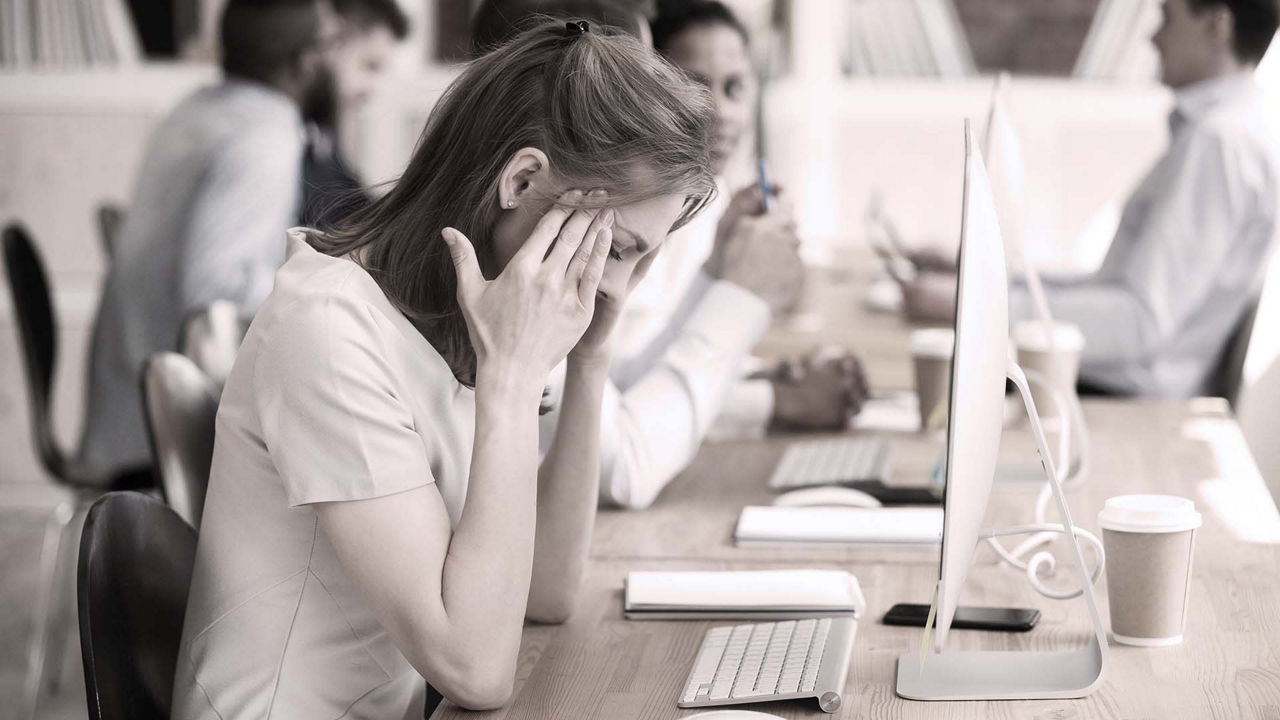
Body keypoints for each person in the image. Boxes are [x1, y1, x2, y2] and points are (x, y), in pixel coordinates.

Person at [170, 20, 718, 717]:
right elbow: (476, 668)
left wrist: (589, 359)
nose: (615, 289)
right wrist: (514, 385)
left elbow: (545, 591)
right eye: (617, 251)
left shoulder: (469, 314)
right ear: (522, 180)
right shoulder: (330, 330)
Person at [473, 0, 869, 511]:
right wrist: (738, 300)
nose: (672, 115)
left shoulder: (563, 234)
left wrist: (716, 276)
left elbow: (617, 388)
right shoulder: (513, 276)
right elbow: (625, 466)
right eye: (636, 96)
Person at [912, 0, 1280, 398]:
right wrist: (986, 276)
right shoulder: (1227, 132)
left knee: (919, 385)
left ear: (1216, 26)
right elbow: (1112, 288)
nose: (1152, 37)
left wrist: (978, 307)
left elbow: (1138, 321)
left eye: (1168, 18)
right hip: (1115, 382)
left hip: (1124, 396)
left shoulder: (1220, 144)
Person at [78, 0, 343, 478]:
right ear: (307, 59)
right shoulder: (262, 136)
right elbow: (214, 301)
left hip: (126, 403)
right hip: (165, 429)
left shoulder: (196, 107)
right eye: (331, 45)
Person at [300, 0, 410, 229]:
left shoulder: (321, 134)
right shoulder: (287, 137)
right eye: (369, 65)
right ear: (333, 41)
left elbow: (357, 209)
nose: (370, 88)